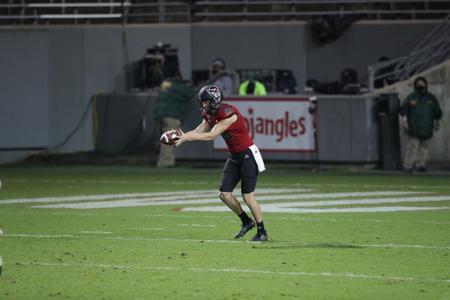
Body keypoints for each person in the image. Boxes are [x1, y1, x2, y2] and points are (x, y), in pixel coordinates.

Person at [175, 85, 269, 241]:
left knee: (248, 197)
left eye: (205, 102)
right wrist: (182, 137)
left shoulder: (228, 114)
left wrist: (187, 138)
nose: (203, 105)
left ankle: (262, 231)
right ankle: (246, 222)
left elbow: (211, 136)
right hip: (234, 156)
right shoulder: (210, 114)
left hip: (248, 155)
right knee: (224, 194)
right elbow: (200, 130)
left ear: (214, 101)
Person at [399, 76, 442, 172]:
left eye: (422, 83)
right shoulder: (411, 97)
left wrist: (437, 122)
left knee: (424, 147)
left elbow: (437, 112)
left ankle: (421, 164)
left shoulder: (431, 98)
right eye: (418, 83)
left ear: (426, 84)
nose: (420, 85)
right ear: (415, 85)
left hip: (427, 126)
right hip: (414, 126)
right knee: (412, 146)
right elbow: (404, 110)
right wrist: (405, 121)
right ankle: (408, 165)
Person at [154, 74, 195, 168]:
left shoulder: (166, 86)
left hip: (160, 115)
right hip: (172, 115)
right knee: (169, 139)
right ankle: (166, 162)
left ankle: (163, 160)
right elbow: (192, 93)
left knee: (164, 140)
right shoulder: (179, 87)